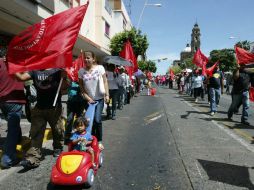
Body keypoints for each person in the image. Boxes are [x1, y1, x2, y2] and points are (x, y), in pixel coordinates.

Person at [15, 68, 68, 169]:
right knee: (36, 133)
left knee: (57, 130)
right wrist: (13, 67)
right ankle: (33, 159)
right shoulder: (35, 70)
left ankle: (58, 147)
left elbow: (65, 89)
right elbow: (21, 78)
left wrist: (64, 77)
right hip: (39, 108)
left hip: (55, 107)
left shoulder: (57, 70)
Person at [78, 51, 109, 150]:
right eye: (85, 58)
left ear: (93, 59)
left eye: (88, 58)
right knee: (89, 121)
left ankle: (99, 140)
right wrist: (87, 98)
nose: (86, 60)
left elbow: (105, 81)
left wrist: (107, 95)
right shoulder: (81, 71)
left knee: (97, 120)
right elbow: (81, 86)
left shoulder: (100, 68)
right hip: (88, 100)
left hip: (99, 99)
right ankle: (90, 138)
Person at [0, 57, 26, 169]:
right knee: (12, 129)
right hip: (14, 99)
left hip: (3, 99)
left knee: (13, 124)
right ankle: (8, 158)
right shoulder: (19, 61)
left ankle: (18, 140)